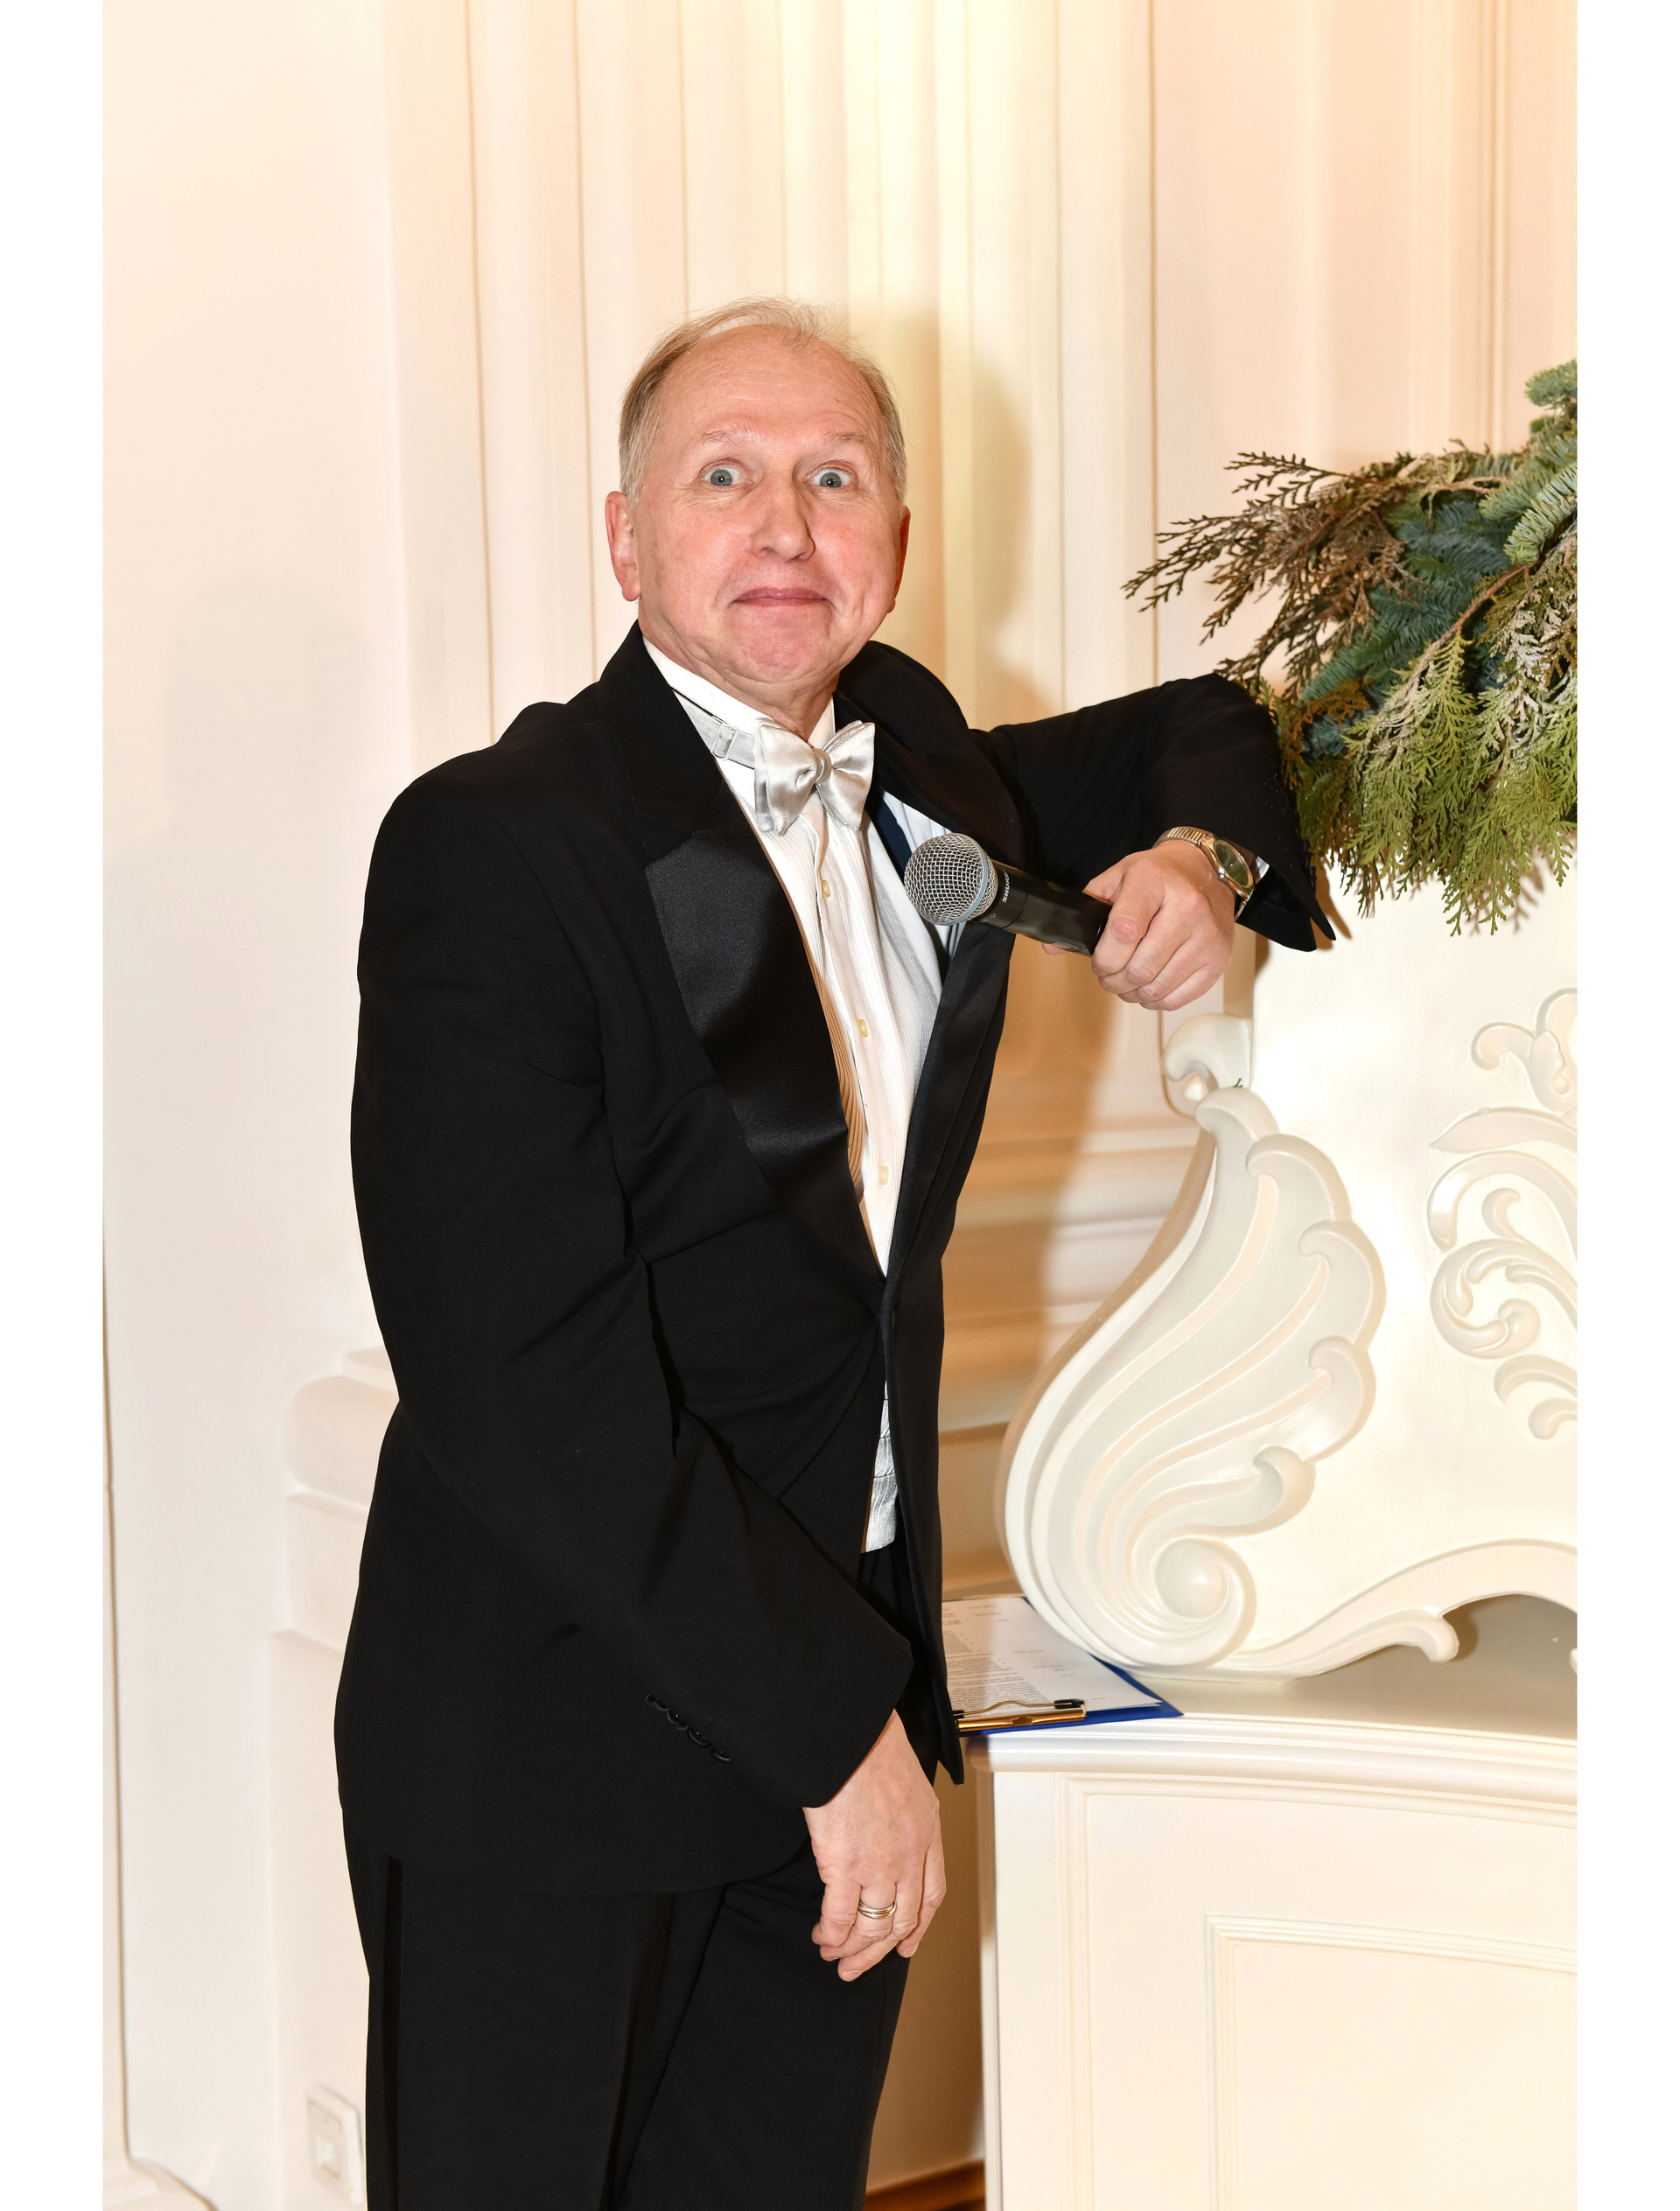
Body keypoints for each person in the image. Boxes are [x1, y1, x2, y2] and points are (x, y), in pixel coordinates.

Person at [336, 297, 1323, 2210]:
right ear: (627, 539)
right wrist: (834, 1733)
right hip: (556, 1728)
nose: (786, 522)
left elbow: (1208, 729)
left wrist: (1199, 857)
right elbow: (521, 1383)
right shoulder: (495, 843)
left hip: (835, 1678)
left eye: (835, 476)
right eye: (726, 475)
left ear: (894, 539)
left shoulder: (930, 777)